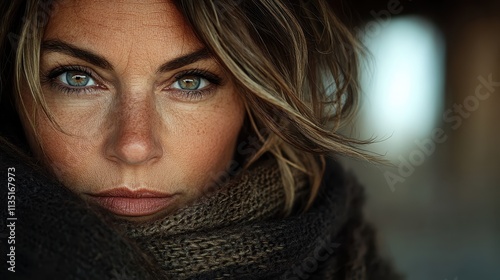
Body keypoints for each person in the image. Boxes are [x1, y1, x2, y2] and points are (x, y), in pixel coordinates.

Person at [0, 0, 402, 279]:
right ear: (15, 92)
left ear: (254, 102)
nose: (134, 146)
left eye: (189, 83)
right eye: (78, 78)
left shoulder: (346, 261)